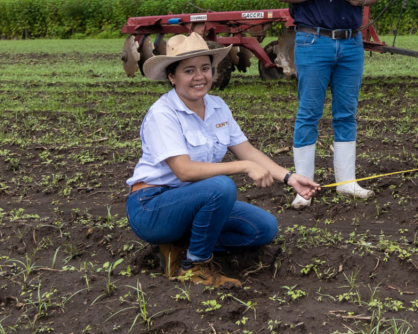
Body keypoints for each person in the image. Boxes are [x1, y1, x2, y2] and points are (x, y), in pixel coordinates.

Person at [127, 33, 320, 288]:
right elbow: (184, 171)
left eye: (205, 68)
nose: (199, 76)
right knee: (221, 186)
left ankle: (179, 248)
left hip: (194, 202)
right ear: (172, 77)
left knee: (263, 228)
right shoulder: (163, 114)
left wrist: (289, 177)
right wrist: (243, 167)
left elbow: (247, 151)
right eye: (189, 70)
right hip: (152, 208)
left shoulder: (217, 106)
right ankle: (195, 265)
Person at [275, 0, 382, 206]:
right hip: (312, 39)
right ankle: (303, 190)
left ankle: (346, 183)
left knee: (346, 114)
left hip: (350, 43)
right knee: (308, 113)